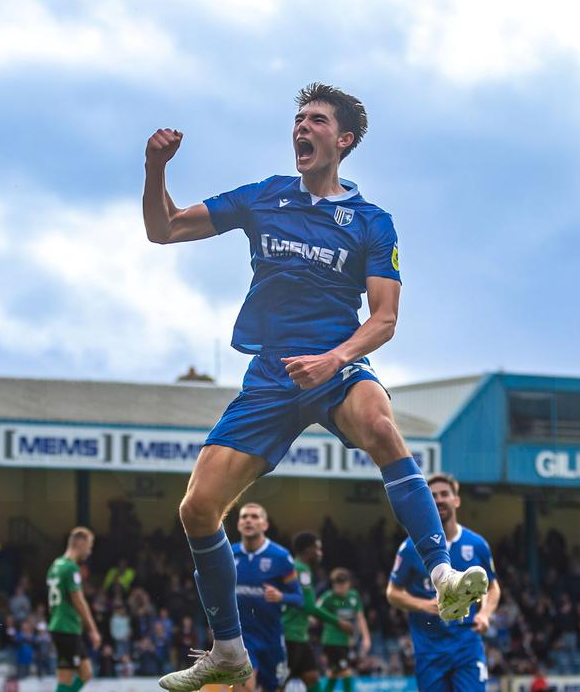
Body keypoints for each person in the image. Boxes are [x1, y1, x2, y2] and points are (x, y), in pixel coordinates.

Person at [147, 82, 486, 691]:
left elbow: (384, 319)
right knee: (197, 509)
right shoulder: (265, 196)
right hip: (271, 375)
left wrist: (335, 359)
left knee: (380, 424)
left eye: (317, 120)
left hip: (337, 364)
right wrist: (155, 169)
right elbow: (163, 229)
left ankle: (443, 574)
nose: (302, 127)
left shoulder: (372, 222)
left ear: (344, 139)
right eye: (298, 119)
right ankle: (228, 651)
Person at [387, 474, 500, 691]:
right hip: (429, 649)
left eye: (444, 494)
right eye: (433, 496)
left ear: (456, 500)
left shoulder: (477, 544)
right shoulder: (410, 548)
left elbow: (492, 587)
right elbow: (392, 592)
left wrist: (485, 614)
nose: (439, 499)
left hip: (467, 646)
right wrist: (424, 605)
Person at [230, 504, 302, 692]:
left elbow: (299, 598)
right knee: (245, 686)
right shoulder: (229, 554)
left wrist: (281, 596)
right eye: (244, 517)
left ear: (265, 525)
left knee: (273, 687)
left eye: (255, 517)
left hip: (271, 637)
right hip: (242, 637)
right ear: (238, 524)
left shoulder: (280, 557)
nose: (248, 520)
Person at [284, 532, 352, 692]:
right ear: (308, 550)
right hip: (290, 634)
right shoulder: (301, 570)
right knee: (280, 682)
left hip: (300, 635)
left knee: (312, 676)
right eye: (318, 548)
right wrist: (338, 622)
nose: (320, 553)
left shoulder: (298, 567)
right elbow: (309, 606)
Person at [46, 528, 103, 692]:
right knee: (80, 674)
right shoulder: (71, 568)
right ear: (81, 544)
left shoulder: (55, 566)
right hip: (67, 628)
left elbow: (51, 603)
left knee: (77, 674)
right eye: (89, 547)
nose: (89, 552)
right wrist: (92, 630)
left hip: (58, 625)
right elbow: (78, 601)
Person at [317, 569, 370, 692]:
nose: (340, 587)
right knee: (346, 672)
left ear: (349, 583)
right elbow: (316, 612)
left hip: (345, 641)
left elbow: (360, 617)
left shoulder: (353, 596)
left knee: (333, 673)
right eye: (337, 584)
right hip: (332, 641)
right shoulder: (328, 597)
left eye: (342, 584)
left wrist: (366, 638)